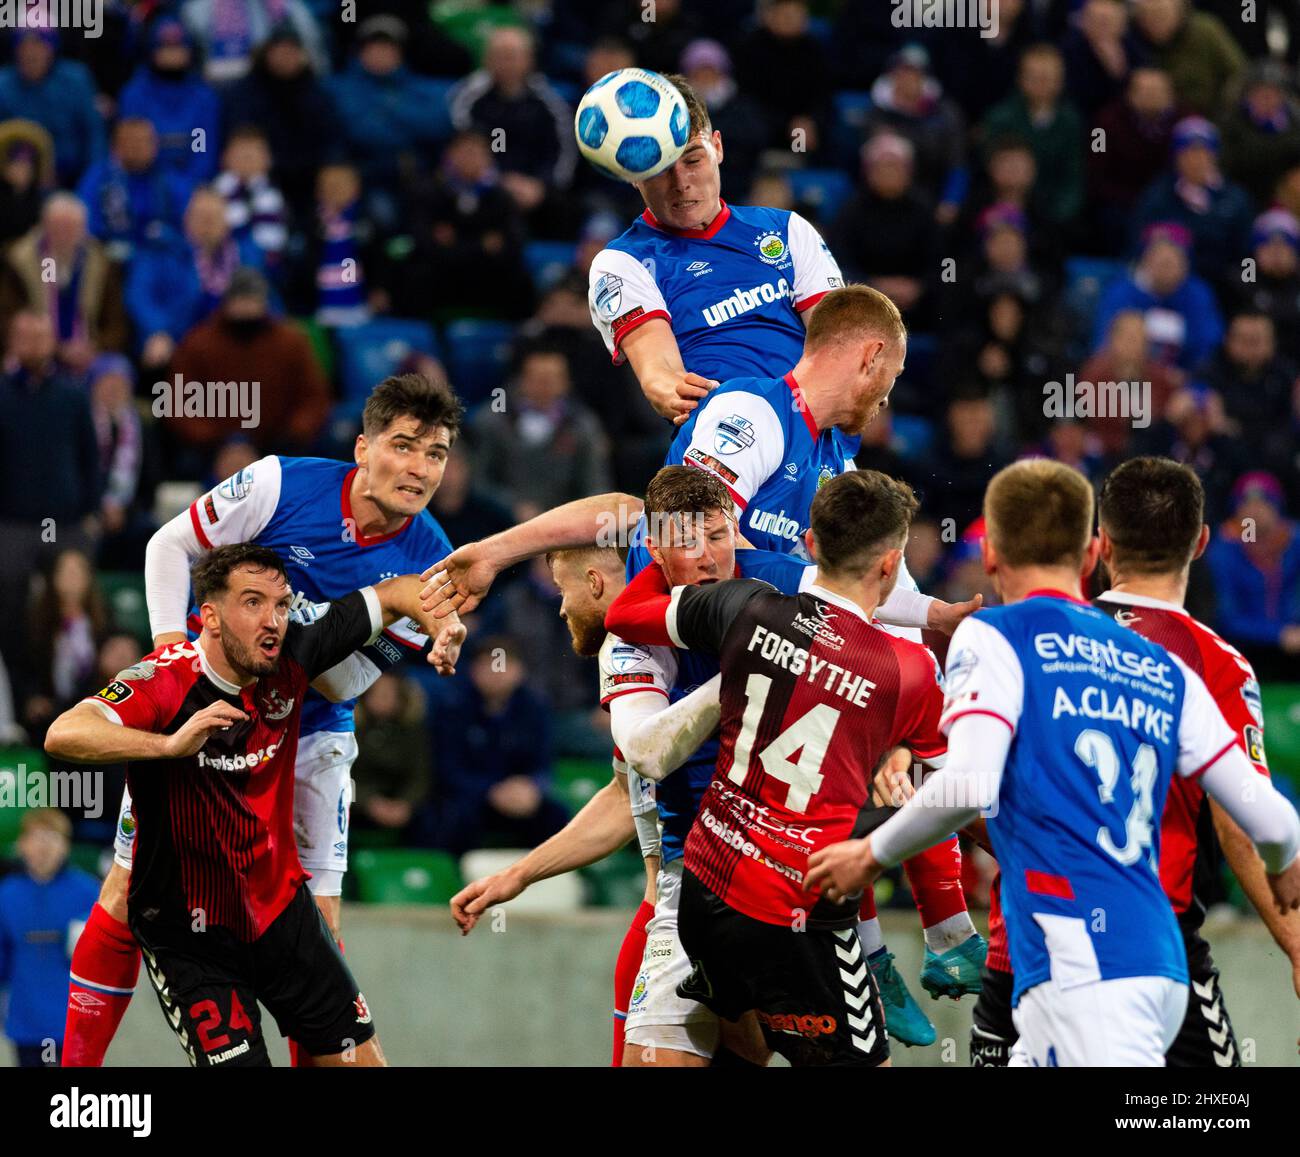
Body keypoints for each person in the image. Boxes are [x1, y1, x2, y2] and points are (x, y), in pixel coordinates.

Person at [807, 458, 1300, 1066]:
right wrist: (1283, 867)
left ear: (991, 560)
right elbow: (1273, 822)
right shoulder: (1165, 667)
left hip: (1077, 966)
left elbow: (967, 785)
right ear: (1090, 555)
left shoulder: (995, 637)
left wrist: (869, 854)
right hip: (1159, 964)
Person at [61, 375, 466, 1067]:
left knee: (317, 929)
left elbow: (343, 678)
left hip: (310, 735)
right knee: (129, 888)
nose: (422, 469)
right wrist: (172, 659)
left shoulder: (436, 563)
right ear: (364, 448)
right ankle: (72, 1082)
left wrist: (330, 626)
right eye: (405, 446)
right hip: (211, 718)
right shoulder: (281, 484)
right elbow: (166, 548)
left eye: (438, 453)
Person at [604, 470, 953, 1067]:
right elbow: (646, 752)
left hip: (735, 880)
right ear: (655, 549)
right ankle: (933, 942)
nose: (710, 557)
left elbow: (852, 585)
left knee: (745, 1049)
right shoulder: (685, 626)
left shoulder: (754, 593)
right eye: (687, 542)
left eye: (719, 536)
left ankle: (899, 950)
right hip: (733, 875)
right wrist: (758, 672)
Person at [450, 544, 662, 1067]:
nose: (561, 609)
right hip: (665, 917)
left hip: (750, 907)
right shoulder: (628, 661)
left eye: (564, 591)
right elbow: (623, 795)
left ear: (594, 582)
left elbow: (626, 507)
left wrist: (492, 553)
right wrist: (519, 875)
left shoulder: (693, 649)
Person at [585, 72, 845, 425]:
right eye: (660, 169)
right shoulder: (622, 262)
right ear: (633, 172)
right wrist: (673, 391)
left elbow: (836, 345)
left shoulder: (787, 230)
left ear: (717, 148)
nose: (680, 183)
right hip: (719, 439)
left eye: (693, 160)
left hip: (814, 436)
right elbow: (658, 371)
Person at [0, 809, 100, 1067]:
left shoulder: (89, 892)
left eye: (51, 837)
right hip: (25, 1023)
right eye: (36, 837)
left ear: (66, 846)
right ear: (21, 844)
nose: (43, 846)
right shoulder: (7, 895)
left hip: (74, 1023)